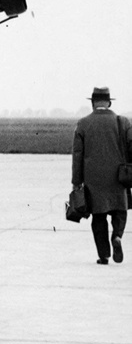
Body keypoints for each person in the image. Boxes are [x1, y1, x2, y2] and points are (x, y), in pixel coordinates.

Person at [71, 87, 129, 265]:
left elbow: (77, 155)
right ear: (109, 102)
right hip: (118, 177)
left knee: (98, 217)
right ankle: (117, 236)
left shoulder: (83, 124)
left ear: (92, 103)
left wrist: (76, 182)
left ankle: (104, 254)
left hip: (93, 179)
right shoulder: (123, 122)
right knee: (120, 210)